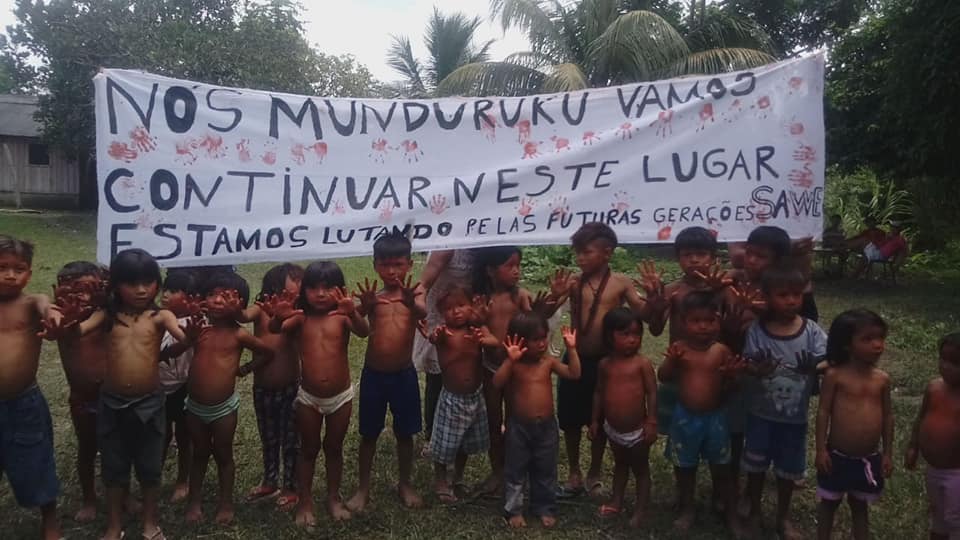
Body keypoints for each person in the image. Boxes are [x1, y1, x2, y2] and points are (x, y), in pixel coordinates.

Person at [47, 248, 198, 540]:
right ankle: (114, 526)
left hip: (151, 403)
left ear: (157, 283)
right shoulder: (106, 316)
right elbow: (77, 332)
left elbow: (184, 339)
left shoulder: (160, 316)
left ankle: (150, 524)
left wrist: (191, 335)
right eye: (131, 283)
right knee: (114, 467)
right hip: (112, 403)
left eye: (148, 282)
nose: (141, 290)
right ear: (115, 285)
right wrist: (66, 324)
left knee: (150, 467)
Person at [260, 261, 369, 525]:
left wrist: (353, 312)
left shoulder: (342, 317)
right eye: (313, 288)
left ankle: (333, 497)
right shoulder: (299, 318)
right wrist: (278, 315)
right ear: (303, 291)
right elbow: (275, 330)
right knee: (308, 449)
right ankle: (306, 500)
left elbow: (364, 332)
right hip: (308, 398)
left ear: (339, 290)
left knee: (334, 448)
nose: (320, 294)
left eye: (328, 287)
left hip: (340, 397)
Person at [553, 222, 652, 498]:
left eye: (586, 252)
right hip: (575, 358)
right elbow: (547, 310)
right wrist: (555, 293)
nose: (580, 258)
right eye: (577, 253)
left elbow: (642, 311)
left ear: (607, 253)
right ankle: (574, 472)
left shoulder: (620, 282)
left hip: (607, 362)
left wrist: (655, 298)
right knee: (571, 419)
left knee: (601, 419)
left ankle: (594, 473)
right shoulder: (574, 281)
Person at [740, 264, 827, 540]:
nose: (791, 300)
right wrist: (758, 370)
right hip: (760, 415)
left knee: (787, 472)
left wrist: (813, 367)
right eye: (783, 295)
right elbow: (748, 363)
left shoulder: (811, 331)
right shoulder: (757, 330)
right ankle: (754, 512)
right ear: (766, 297)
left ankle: (783, 518)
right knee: (755, 468)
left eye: (796, 295)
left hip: (794, 419)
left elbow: (827, 359)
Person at [472, 245, 565, 495]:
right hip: (491, 367)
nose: (516, 271)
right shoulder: (482, 298)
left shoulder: (520, 295)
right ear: (491, 270)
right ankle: (497, 471)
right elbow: (478, 324)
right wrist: (485, 331)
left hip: (518, 370)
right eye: (509, 266)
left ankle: (518, 470)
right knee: (494, 420)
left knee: (516, 423)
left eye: (518, 266)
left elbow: (535, 322)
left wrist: (550, 303)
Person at [183, 272, 274, 525]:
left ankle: (225, 503)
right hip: (194, 407)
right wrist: (189, 336)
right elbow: (178, 347)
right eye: (211, 294)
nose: (217, 300)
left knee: (224, 455)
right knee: (198, 453)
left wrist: (245, 369)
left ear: (240, 303)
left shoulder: (239, 334)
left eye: (226, 296)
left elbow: (267, 352)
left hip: (224, 408)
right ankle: (194, 500)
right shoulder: (198, 328)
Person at [347, 231, 428, 512]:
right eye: (384, 264)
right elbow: (358, 327)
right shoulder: (375, 297)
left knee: (405, 434)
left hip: (403, 374)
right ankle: (363, 488)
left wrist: (409, 303)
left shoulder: (414, 294)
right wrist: (362, 306)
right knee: (368, 434)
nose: (391, 271)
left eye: (398, 264)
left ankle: (405, 483)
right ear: (375, 265)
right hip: (374, 375)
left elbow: (422, 312)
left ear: (409, 265)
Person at [657, 291, 745, 535]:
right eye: (697, 321)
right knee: (685, 467)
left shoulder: (721, 351)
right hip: (685, 419)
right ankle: (687, 508)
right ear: (684, 323)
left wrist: (731, 376)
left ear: (719, 322)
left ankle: (729, 512)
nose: (704, 327)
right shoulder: (679, 349)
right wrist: (672, 362)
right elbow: (663, 377)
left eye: (710, 321)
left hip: (715, 419)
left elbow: (734, 388)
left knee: (722, 468)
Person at [0, 235, 63, 540]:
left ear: (29, 273)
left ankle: (50, 521)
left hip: (22, 403)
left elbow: (44, 304)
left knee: (36, 459)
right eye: (2, 267)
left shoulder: (30, 303)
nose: (10, 275)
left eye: (19, 268)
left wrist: (52, 314)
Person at [493, 312, 579, 528]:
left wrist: (572, 349)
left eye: (544, 337)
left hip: (547, 427)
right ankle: (514, 509)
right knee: (516, 469)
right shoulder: (515, 365)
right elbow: (497, 382)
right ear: (519, 340)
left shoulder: (547, 363)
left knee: (545, 468)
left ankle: (545, 507)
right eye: (536, 339)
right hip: (519, 427)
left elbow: (574, 374)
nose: (542, 343)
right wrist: (509, 361)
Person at [815, 309, 893, 540]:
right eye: (868, 339)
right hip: (836, 456)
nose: (878, 344)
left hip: (868, 459)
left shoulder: (882, 379)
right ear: (847, 344)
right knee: (829, 503)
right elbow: (823, 412)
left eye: (880, 338)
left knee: (860, 507)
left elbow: (888, 417)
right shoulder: (835, 376)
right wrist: (820, 450)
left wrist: (888, 453)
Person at [422, 286, 495, 503]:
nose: (456, 311)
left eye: (461, 306)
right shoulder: (445, 333)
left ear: (471, 306)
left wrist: (483, 338)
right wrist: (435, 335)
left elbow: (495, 341)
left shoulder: (476, 330)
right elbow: (434, 338)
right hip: (453, 400)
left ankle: (458, 476)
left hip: (475, 397)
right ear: (442, 313)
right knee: (445, 443)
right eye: (449, 308)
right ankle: (441, 479)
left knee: (465, 441)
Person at [241, 263, 304, 511]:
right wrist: (233, 307)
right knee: (268, 438)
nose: (300, 285)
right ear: (275, 286)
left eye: (301, 281)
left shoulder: (297, 315)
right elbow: (242, 317)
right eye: (295, 280)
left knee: (291, 441)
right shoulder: (259, 310)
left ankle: (291, 486)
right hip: (262, 389)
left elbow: (286, 329)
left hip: (290, 388)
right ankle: (270, 481)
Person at [589, 308, 657, 527]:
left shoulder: (642, 364)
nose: (632, 340)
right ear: (610, 336)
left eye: (636, 334)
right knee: (620, 464)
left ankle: (641, 509)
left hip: (637, 430)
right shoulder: (605, 365)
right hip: (613, 428)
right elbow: (598, 392)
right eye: (625, 334)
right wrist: (595, 420)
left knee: (640, 469)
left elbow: (652, 392)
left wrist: (652, 421)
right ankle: (616, 500)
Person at [53, 260, 108, 521]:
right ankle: (89, 498)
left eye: (90, 290)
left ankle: (125, 494)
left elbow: (84, 327)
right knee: (87, 448)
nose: (82, 297)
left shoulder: (104, 314)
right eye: (73, 291)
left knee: (116, 448)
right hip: (83, 399)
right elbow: (70, 331)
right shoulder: (58, 320)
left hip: (112, 396)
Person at [414, 249, 476, 459]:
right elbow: (427, 278)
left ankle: (468, 429)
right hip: (442, 310)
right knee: (439, 373)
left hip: (471, 310)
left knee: (471, 367)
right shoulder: (450, 239)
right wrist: (420, 295)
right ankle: (433, 435)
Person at [905, 332, 960, 540]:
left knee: (955, 520)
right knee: (937, 516)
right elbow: (921, 418)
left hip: (957, 473)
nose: (946, 366)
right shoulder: (934, 388)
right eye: (943, 359)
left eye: (955, 363)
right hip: (934, 470)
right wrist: (913, 446)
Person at [159, 269, 199, 504]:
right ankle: (154, 477)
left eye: (173, 291)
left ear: (191, 297)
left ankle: (183, 480)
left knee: (185, 437)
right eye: (165, 289)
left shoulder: (195, 323)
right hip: (158, 388)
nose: (166, 295)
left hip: (184, 388)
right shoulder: (157, 318)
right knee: (161, 435)